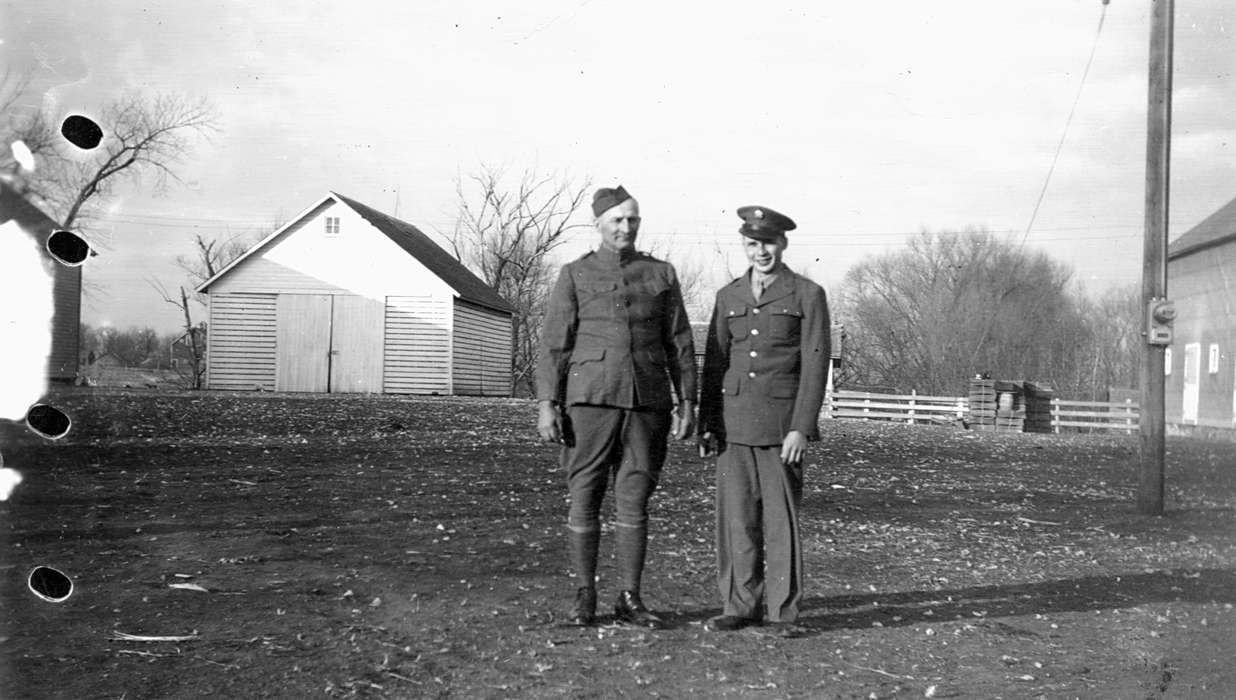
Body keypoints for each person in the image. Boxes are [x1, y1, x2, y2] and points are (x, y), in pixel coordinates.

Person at [535, 185, 697, 628]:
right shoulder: (575, 273)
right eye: (617, 221)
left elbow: (679, 341)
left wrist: (688, 400)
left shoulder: (659, 273)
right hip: (589, 402)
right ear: (599, 225)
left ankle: (630, 596)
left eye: (633, 220)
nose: (626, 228)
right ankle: (585, 594)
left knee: (634, 498)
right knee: (584, 495)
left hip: (647, 404)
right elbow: (554, 344)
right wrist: (547, 403)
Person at [697, 205, 830, 636]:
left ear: (783, 243)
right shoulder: (728, 296)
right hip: (733, 427)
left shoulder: (806, 294)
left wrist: (801, 427)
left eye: (768, 242)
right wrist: (708, 422)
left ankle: (781, 613)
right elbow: (714, 365)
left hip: (779, 428)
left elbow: (815, 363)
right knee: (737, 520)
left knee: (780, 522)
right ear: (744, 245)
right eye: (752, 244)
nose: (761, 251)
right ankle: (739, 604)